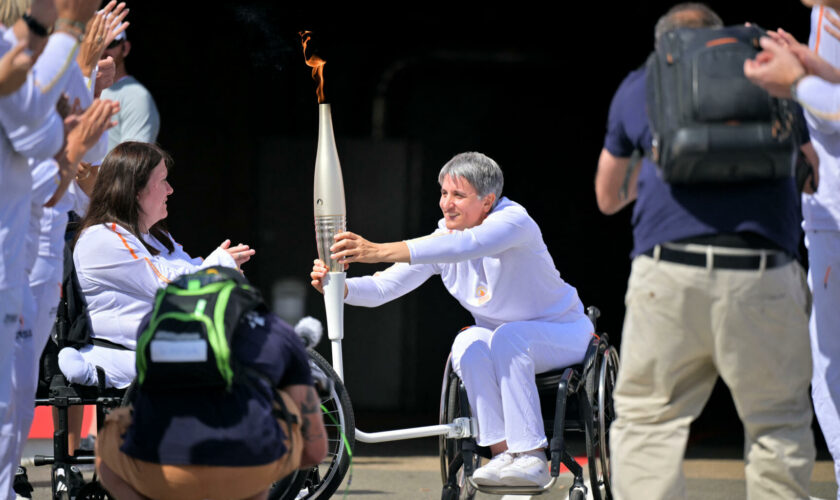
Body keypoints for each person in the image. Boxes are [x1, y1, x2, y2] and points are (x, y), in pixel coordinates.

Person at [596, 3, 815, 499]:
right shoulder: (766, 71)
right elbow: (812, 168)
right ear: (720, 39)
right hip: (764, 272)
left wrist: (657, 163)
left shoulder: (642, 83)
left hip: (668, 274)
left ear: (664, 46)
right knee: (777, 424)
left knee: (649, 423)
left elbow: (607, 197)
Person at [310, 152, 593, 487]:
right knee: (467, 341)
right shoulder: (443, 238)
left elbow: (468, 245)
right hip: (504, 339)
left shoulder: (514, 221)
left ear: (488, 201)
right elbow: (383, 287)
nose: (447, 203)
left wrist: (375, 250)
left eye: (458, 195)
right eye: (443, 193)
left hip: (563, 331)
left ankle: (532, 456)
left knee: (508, 337)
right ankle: (503, 454)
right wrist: (337, 287)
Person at [95, 283, 328, 500]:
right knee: (281, 413)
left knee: (116, 425)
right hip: (246, 468)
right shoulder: (279, 333)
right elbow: (314, 454)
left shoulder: (153, 323)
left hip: (163, 470)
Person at [0, 0, 102, 495]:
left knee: (17, 395)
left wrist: (76, 157)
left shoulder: (53, 60)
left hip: (35, 243)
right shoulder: (14, 52)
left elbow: (81, 164)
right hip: (19, 249)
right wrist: (67, 36)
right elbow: (34, 135)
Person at [58, 141, 255, 389]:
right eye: (162, 181)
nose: (170, 190)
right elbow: (166, 287)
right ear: (136, 190)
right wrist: (219, 266)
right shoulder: (102, 238)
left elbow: (191, 269)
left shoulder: (154, 235)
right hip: (133, 358)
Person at [744, 4, 840, 496]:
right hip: (827, 220)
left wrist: (797, 82)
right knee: (828, 368)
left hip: (833, 218)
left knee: (830, 369)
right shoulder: (824, 16)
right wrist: (809, 65)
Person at [100, 25, 160, 151]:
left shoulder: (137, 96)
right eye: (98, 42)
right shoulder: (78, 87)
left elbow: (131, 166)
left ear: (125, 48)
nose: (103, 50)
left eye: (111, 43)